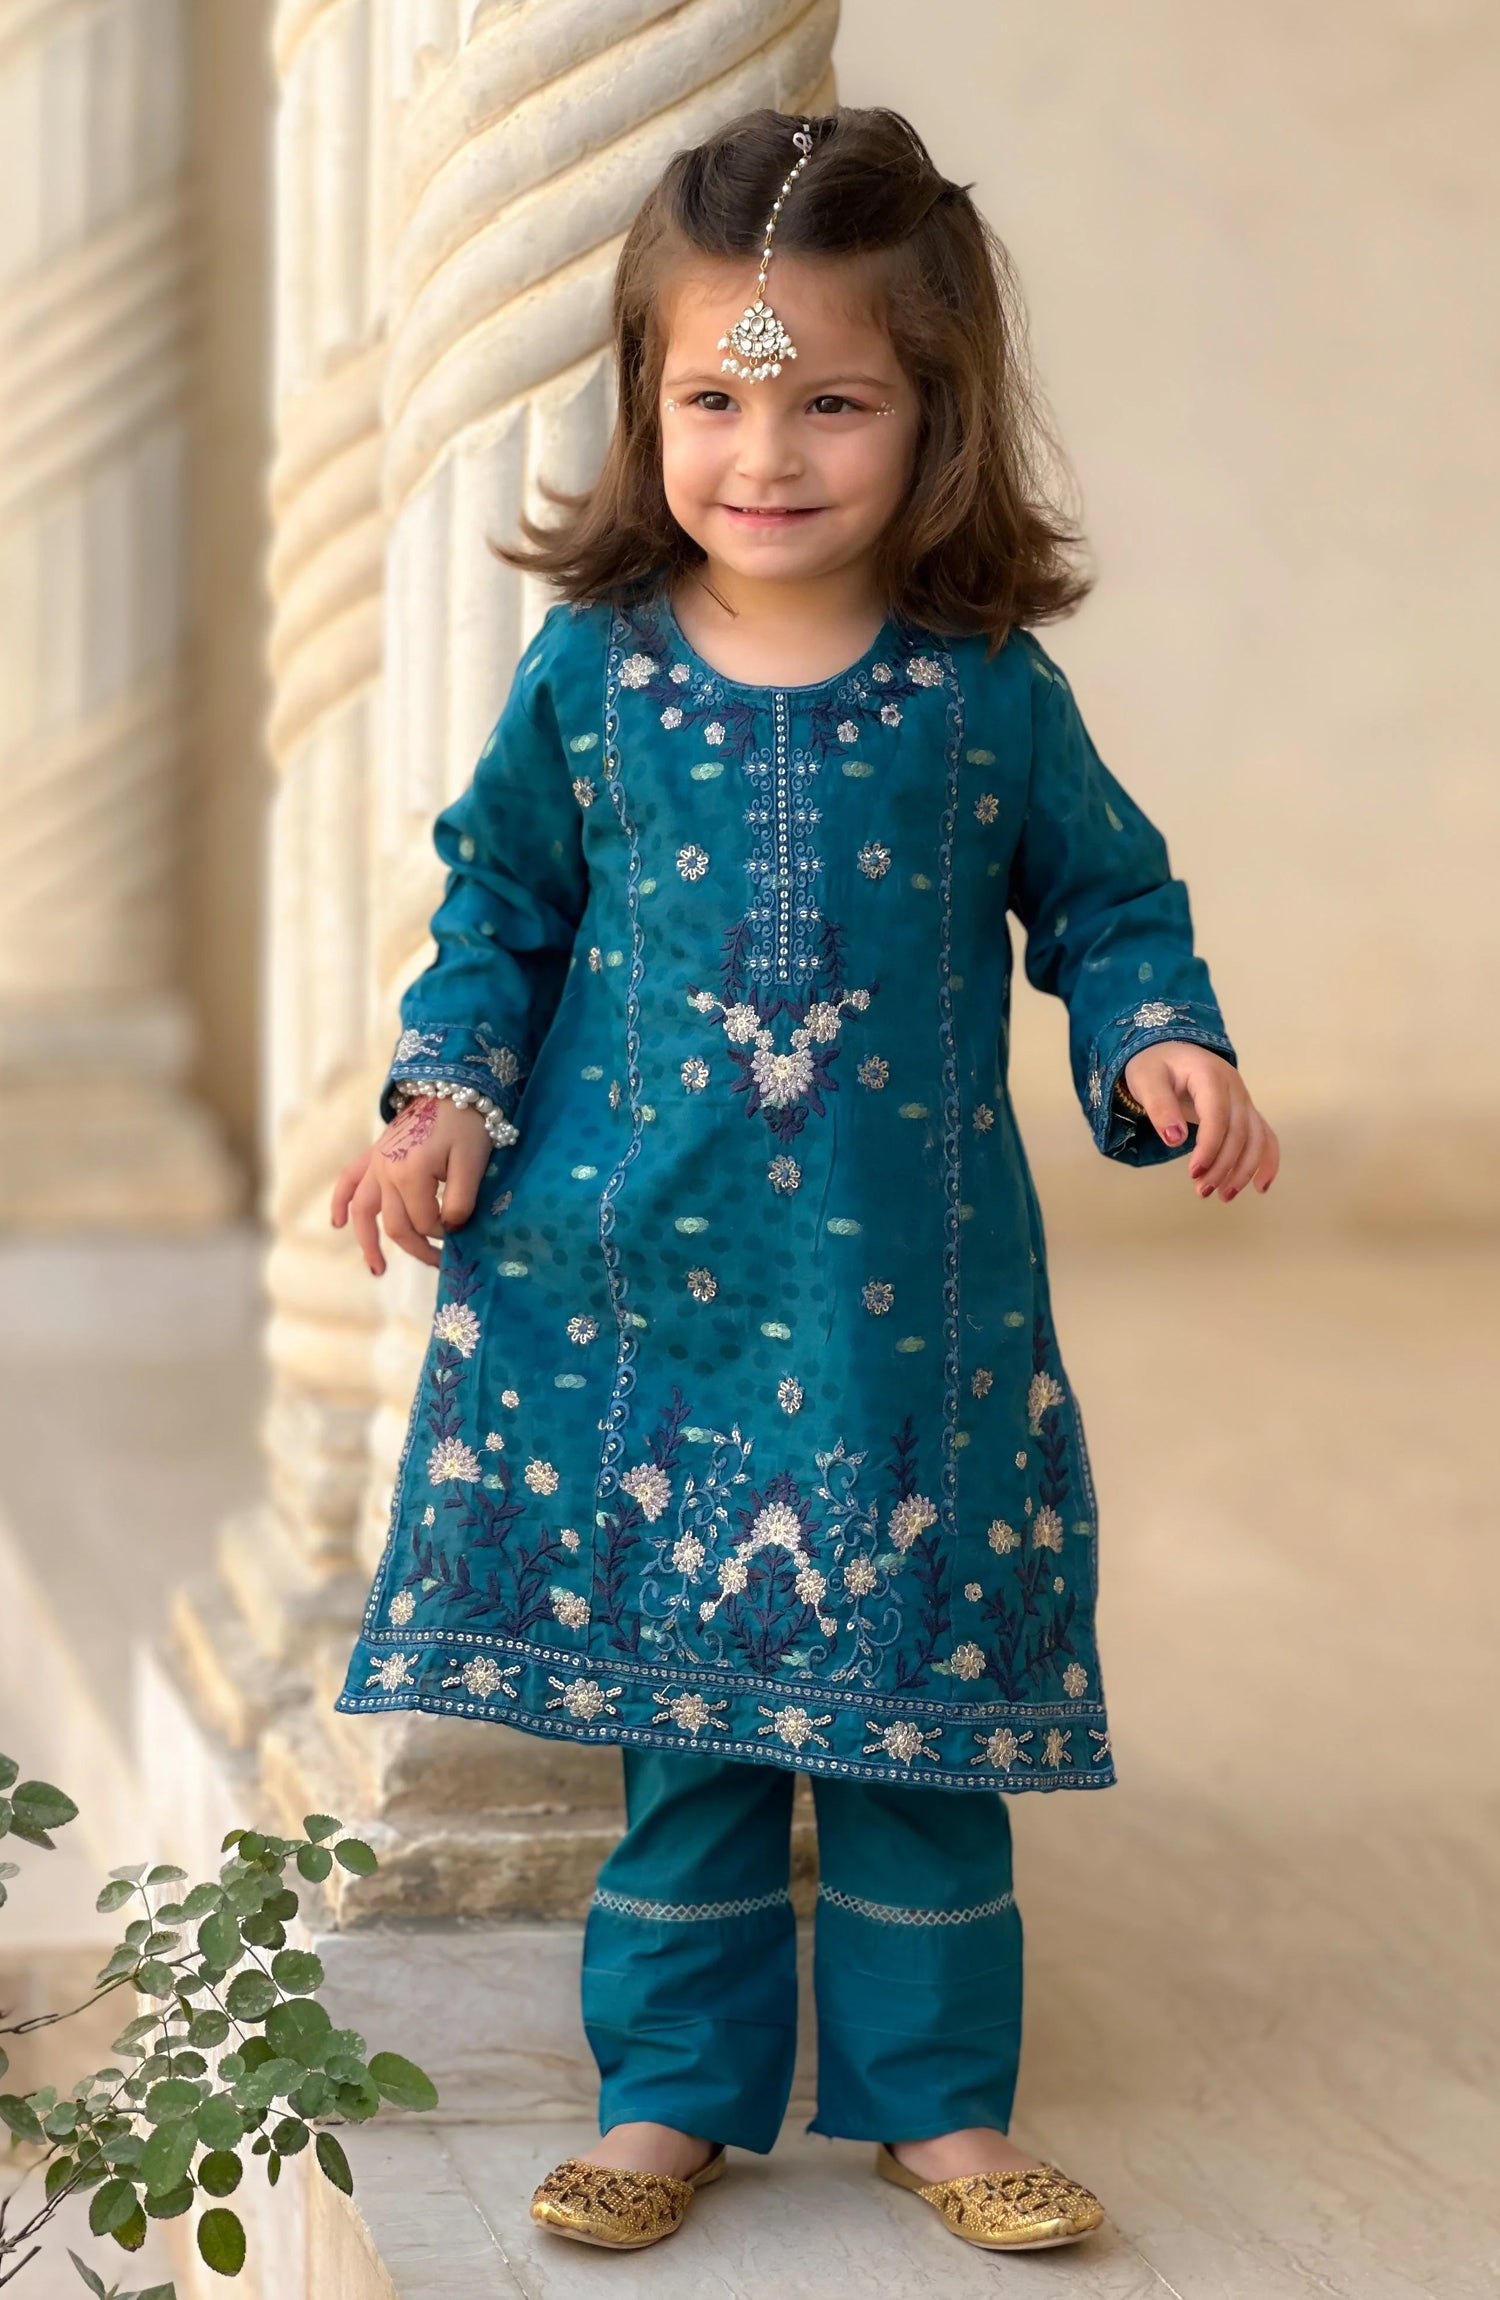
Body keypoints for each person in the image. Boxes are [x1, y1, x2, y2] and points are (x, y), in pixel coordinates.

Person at [330, 106, 1278, 2256]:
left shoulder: (982, 693)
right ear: (644, 402)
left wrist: (1161, 1035)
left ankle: (942, 2113)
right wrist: (445, 1100)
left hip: (900, 1325)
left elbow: (1107, 897)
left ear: (935, 410)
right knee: (688, 1740)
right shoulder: (594, 674)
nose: (765, 453)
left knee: (917, 1731)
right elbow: (501, 914)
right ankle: (671, 2097)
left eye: (832, 400)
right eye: (715, 399)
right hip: (637, 1299)